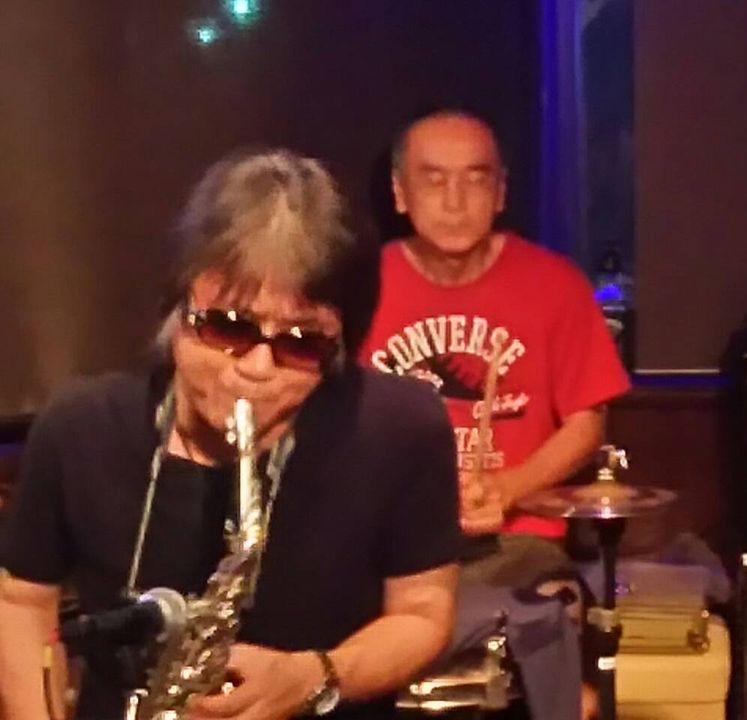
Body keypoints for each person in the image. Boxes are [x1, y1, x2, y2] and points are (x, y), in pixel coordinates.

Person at [0, 149, 463, 720]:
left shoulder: (401, 426)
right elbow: (21, 601)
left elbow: (422, 610)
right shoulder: (80, 427)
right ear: (177, 311)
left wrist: (316, 676)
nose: (258, 368)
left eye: (301, 343)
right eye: (227, 328)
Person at [360, 106, 631, 720]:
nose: (455, 201)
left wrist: (508, 488)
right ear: (400, 193)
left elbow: (587, 422)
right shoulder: (360, 288)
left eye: (475, 179)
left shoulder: (555, 285)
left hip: (515, 543)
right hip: (393, 546)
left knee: (550, 611)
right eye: (434, 180)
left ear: (501, 192)